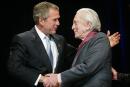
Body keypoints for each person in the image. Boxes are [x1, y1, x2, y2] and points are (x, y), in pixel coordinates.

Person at [7, 1, 75, 87]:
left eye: (58, 19)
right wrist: (42, 79)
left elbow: (77, 55)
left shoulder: (60, 40)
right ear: (41, 20)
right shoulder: (23, 39)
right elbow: (14, 67)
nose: (58, 23)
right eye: (55, 19)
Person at [43, 8, 112, 87]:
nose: (72, 27)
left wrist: (58, 78)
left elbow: (88, 67)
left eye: (75, 23)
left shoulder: (100, 38)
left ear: (88, 25)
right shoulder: (85, 44)